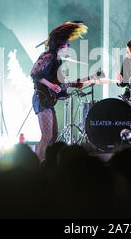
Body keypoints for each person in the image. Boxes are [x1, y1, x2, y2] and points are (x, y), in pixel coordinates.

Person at [30, 21, 87, 160]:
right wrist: (50, 85)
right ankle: (37, 165)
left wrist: (71, 86)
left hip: (48, 100)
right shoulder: (48, 56)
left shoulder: (58, 60)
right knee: (47, 136)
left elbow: (58, 87)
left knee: (53, 135)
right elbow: (34, 73)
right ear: (60, 44)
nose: (69, 45)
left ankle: (45, 162)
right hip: (41, 98)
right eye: (67, 43)